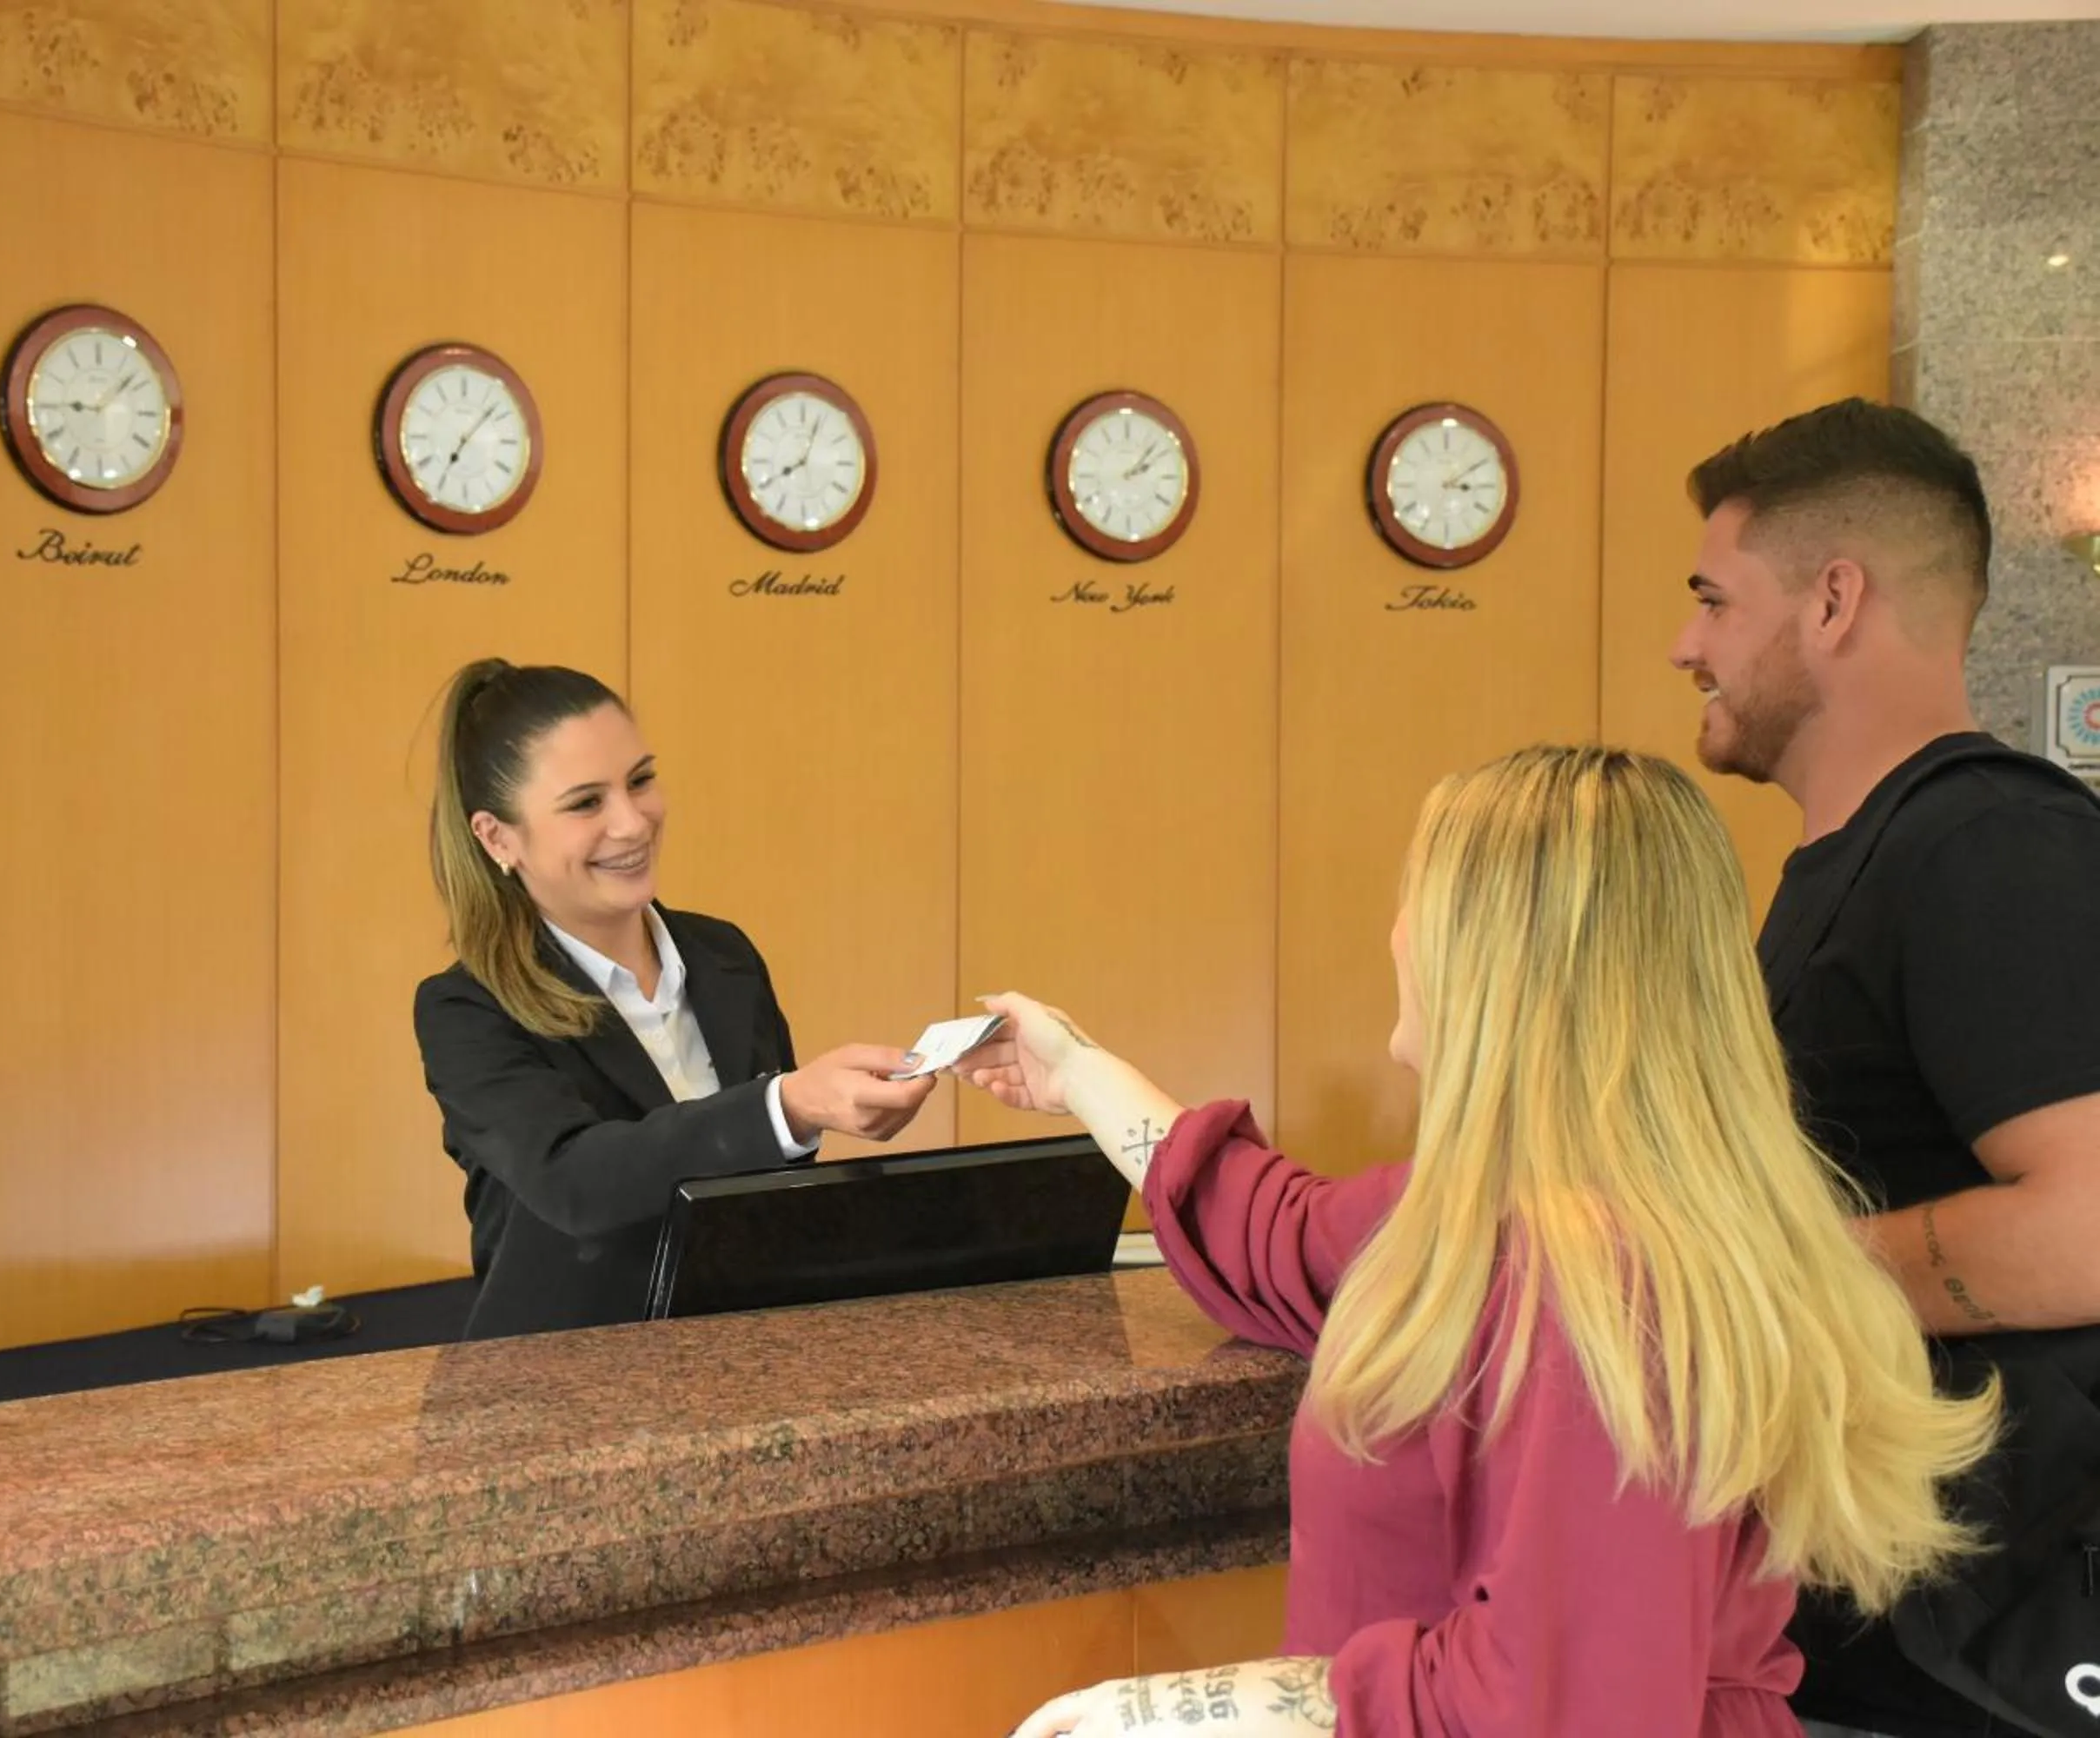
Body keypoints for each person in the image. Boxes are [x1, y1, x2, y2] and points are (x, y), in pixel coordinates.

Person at [964, 746, 1997, 1738]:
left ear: (1489, 953)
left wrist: (1214, 1704)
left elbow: (1563, 1698)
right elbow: (1274, 1230)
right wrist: (1077, 1070)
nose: (1397, 931)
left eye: (1418, 896)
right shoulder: (1489, 1222)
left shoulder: (1608, 1281)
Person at [1671, 397, 2100, 1738]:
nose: (1687, 646)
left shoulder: (1989, 850)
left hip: (1975, 1662)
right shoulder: (1859, 863)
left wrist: (1762, 1274)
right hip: (1864, 1632)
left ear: (1834, 600)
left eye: (1714, 600)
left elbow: (2089, 1223)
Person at [412, 658, 935, 1340]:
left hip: (735, 1364)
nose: (632, 824)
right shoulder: (466, 1009)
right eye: (585, 803)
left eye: (641, 781)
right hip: (557, 1396)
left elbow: (762, 1186)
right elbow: (575, 1180)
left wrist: (819, 1122)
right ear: (497, 837)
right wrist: (790, 1105)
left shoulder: (725, 955)